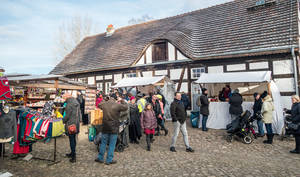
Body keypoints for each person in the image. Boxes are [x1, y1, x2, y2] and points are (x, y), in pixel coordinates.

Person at [95, 96, 128, 165]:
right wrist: (122, 100)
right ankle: (109, 160)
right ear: (115, 99)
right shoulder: (117, 105)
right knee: (112, 144)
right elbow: (126, 107)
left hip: (105, 127)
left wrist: (104, 99)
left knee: (103, 143)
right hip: (114, 127)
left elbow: (99, 104)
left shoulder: (104, 104)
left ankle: (100, 158)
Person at [63, 94, 81, 163]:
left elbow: (67, 116)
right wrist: (79, 120)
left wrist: (63, 120)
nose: (64, 99)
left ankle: (73, 156)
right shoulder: (76, 102)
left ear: (67, 97)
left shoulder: (69, 104)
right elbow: (79, 113)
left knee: (71, 140)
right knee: (73, 139)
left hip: (70, 124)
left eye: (64, 97)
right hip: (76, 123)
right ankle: (72, 153)